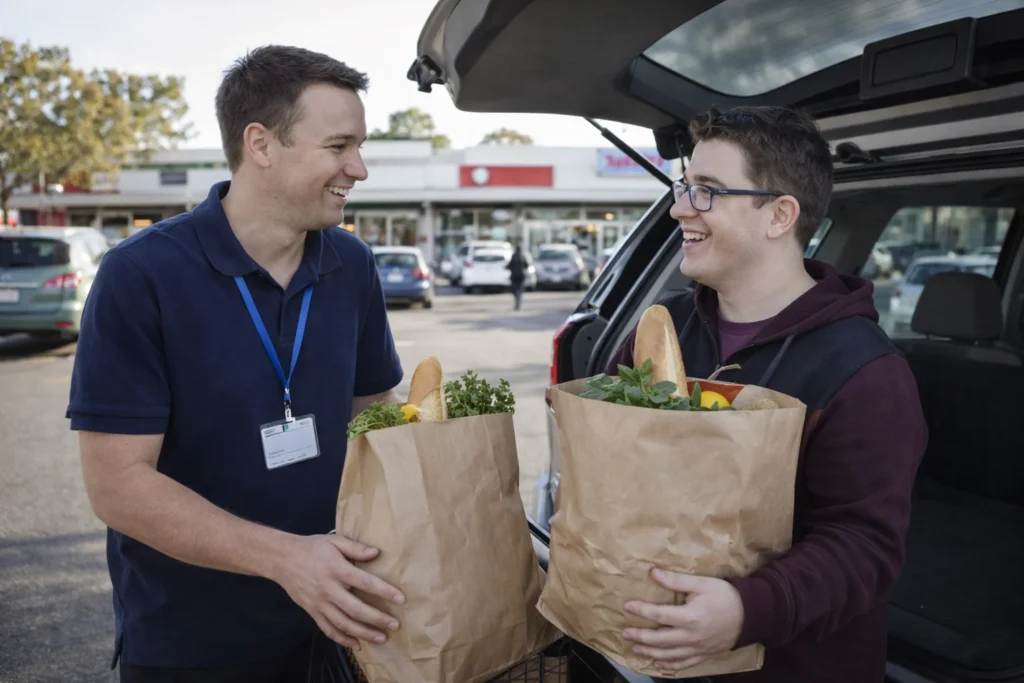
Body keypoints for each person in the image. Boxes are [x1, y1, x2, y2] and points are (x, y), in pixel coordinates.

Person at [67, 45, 407, 682]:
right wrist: (288, 559)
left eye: (360, 147)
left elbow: (377, 417)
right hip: (193, 642)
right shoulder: (141, 275)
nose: (358, 168)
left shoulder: (353, 266)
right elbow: (116, 485)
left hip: (341, 625)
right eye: (339, 146)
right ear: (261, 143)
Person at [608, 106, 928, 682]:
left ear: (779, 215)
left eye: (706, 191)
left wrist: (746, 610)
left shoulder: (866, 371)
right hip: (642, 644)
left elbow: (863, 547)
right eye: (684, 186)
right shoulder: (659, 329)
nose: (679, 206)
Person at [507, 242, 527, 310]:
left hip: (515, 276)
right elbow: (527, 265)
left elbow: (509, 265)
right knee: (519, 289)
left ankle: (517, 300)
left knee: (514, 289)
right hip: (521, 276)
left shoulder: (514, 256)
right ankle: (518, 300)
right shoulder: (523, 256)